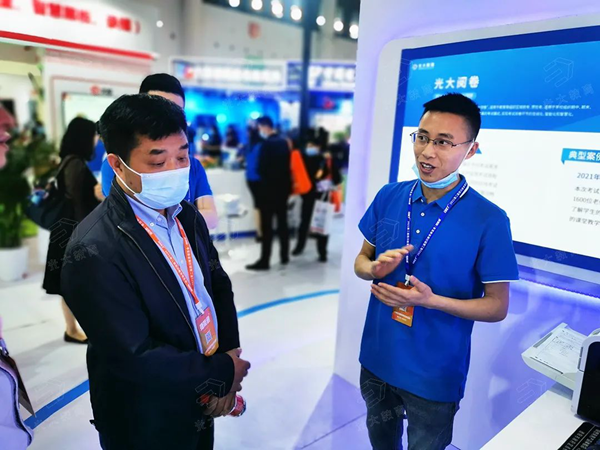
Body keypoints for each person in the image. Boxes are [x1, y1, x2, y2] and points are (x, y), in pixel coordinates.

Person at [61, 95, 250, 450]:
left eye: (182, 157)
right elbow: (133, 355)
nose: (175, 171)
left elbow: (217, 286)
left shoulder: (187, 217)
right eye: (158, 161)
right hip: (144, 417)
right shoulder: (94, 249)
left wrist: (227, 359)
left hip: (201, 394)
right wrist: (222, 372)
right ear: (117, 166)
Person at [355, 93, 519, 450]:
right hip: (377, 358)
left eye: (444, 142)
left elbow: (497, 306)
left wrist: (431, 301)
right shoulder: (389, 196)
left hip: (434, 376)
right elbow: (361, 261)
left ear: (471, 150)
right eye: (422, 137)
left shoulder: (489, 219)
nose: (427, 152)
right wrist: (373, 268)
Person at [100, 73, 218, 229]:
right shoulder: (121, 165)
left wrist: (173, 225)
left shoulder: (192, 166)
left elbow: (212, 218)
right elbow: (120, 220)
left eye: (176, 112)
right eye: (158, 163)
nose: (168, 120)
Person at [42, 117, 100, 345]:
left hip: (65, 232)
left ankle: (72, 329)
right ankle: (73, 329)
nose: (96, 140)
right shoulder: (76, 164)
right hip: (72, 234)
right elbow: (78, 202)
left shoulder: (67, 161)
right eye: (94, 135)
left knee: (68, 283)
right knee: (73, 283)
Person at [246, 116, 291, 271]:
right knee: (283, 223)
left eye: (260, 127)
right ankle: (284, 256)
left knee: (267, 227)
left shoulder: (266, 144)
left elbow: (261, 168)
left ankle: (265, 260)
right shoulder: (284, 142)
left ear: (265, 127)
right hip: (282, 190)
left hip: (267, 191)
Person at [292, 135, 341, 262]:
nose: (309, 148)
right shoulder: (305, 159)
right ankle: (302, 247)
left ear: (318, 147)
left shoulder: (326, 161)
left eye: (311, 146)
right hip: (311, 196)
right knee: (307, 223)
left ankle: (320, 252)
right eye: (308, 146)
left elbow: (337, 178)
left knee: (320, 224)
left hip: (320, 196)